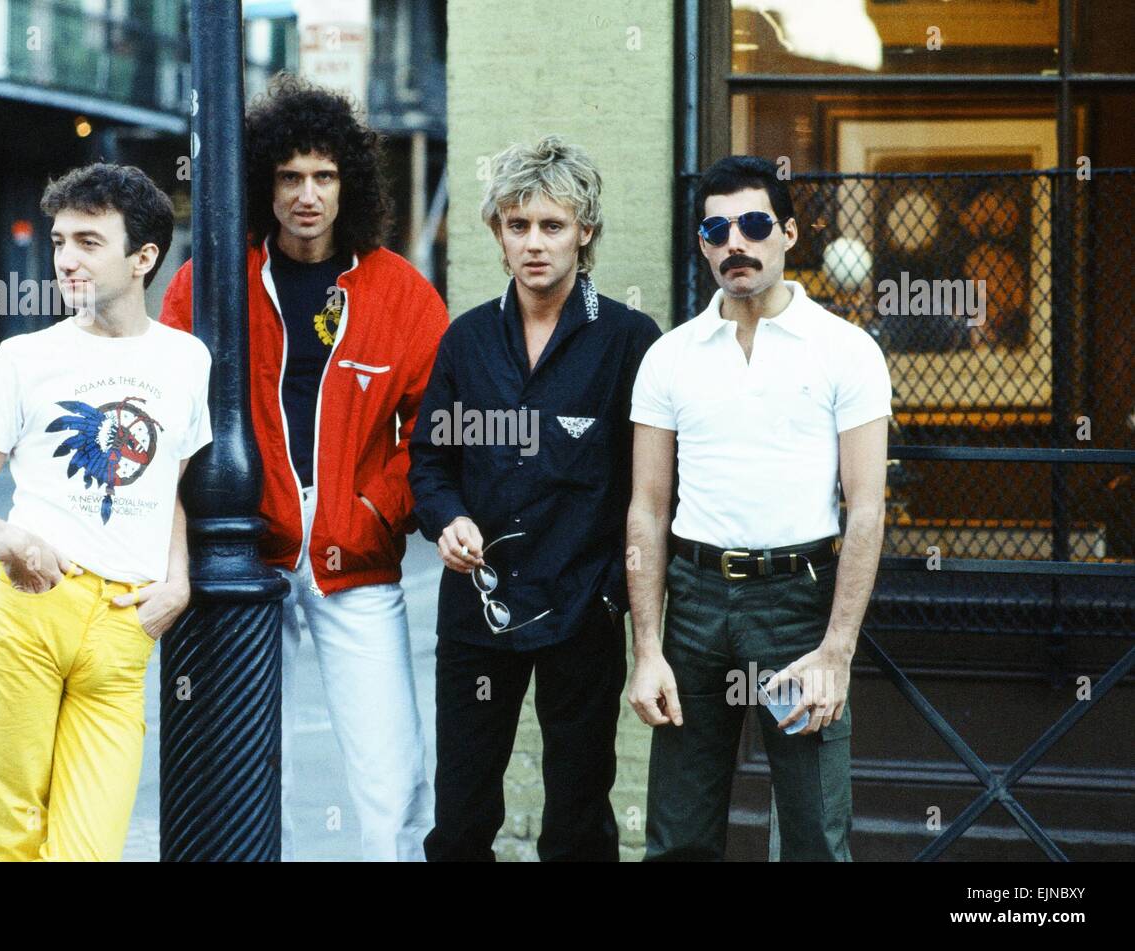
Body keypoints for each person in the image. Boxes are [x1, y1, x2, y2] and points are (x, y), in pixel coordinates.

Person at [159, 74, 445, 861]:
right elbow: (166, 402)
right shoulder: (210, 283)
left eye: (323, 176)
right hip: (249, 548)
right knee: (246, 766)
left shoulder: (401, 293)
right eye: (289, 176)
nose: (307, 195)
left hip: (357, 555)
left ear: (346, 182)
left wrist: (379, 505)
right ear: (265, 184)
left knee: (391, 771)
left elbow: (435, 427)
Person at [626, 155, 892, 861]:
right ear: (703, 243)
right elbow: (647, 511)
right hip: (695, 603)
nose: (734, 242)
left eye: (753, 224)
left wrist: (836, 651)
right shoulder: (670, 357)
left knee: (813, 833)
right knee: (678, 835)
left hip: (795, 605)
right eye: (717, 228)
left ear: (790, 234)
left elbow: (865, 509)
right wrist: (646, 650)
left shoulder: (846, 351)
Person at [0, 163, 211, 861]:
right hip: (31, 610)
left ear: (143, 257)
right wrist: (13, 543)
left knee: (88, 848)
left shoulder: (187, 360)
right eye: (60, 241)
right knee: (9, 835)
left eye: (90, 242)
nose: (66, 259)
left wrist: (177, 581)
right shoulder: (24, 358)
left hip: (124, 630)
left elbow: (172, 485)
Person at [409, 135, 661, 861]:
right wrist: (447, 518)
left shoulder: (628, 339)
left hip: (581, 610)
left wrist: (615, 594)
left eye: (552, 225)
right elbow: (430, 461)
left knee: (579, 822)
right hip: (478, 608)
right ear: (497, 233)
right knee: (459, 821)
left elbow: (650, 489)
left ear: (585, 231)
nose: (535, 243)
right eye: (518, 226)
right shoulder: (466, 342)